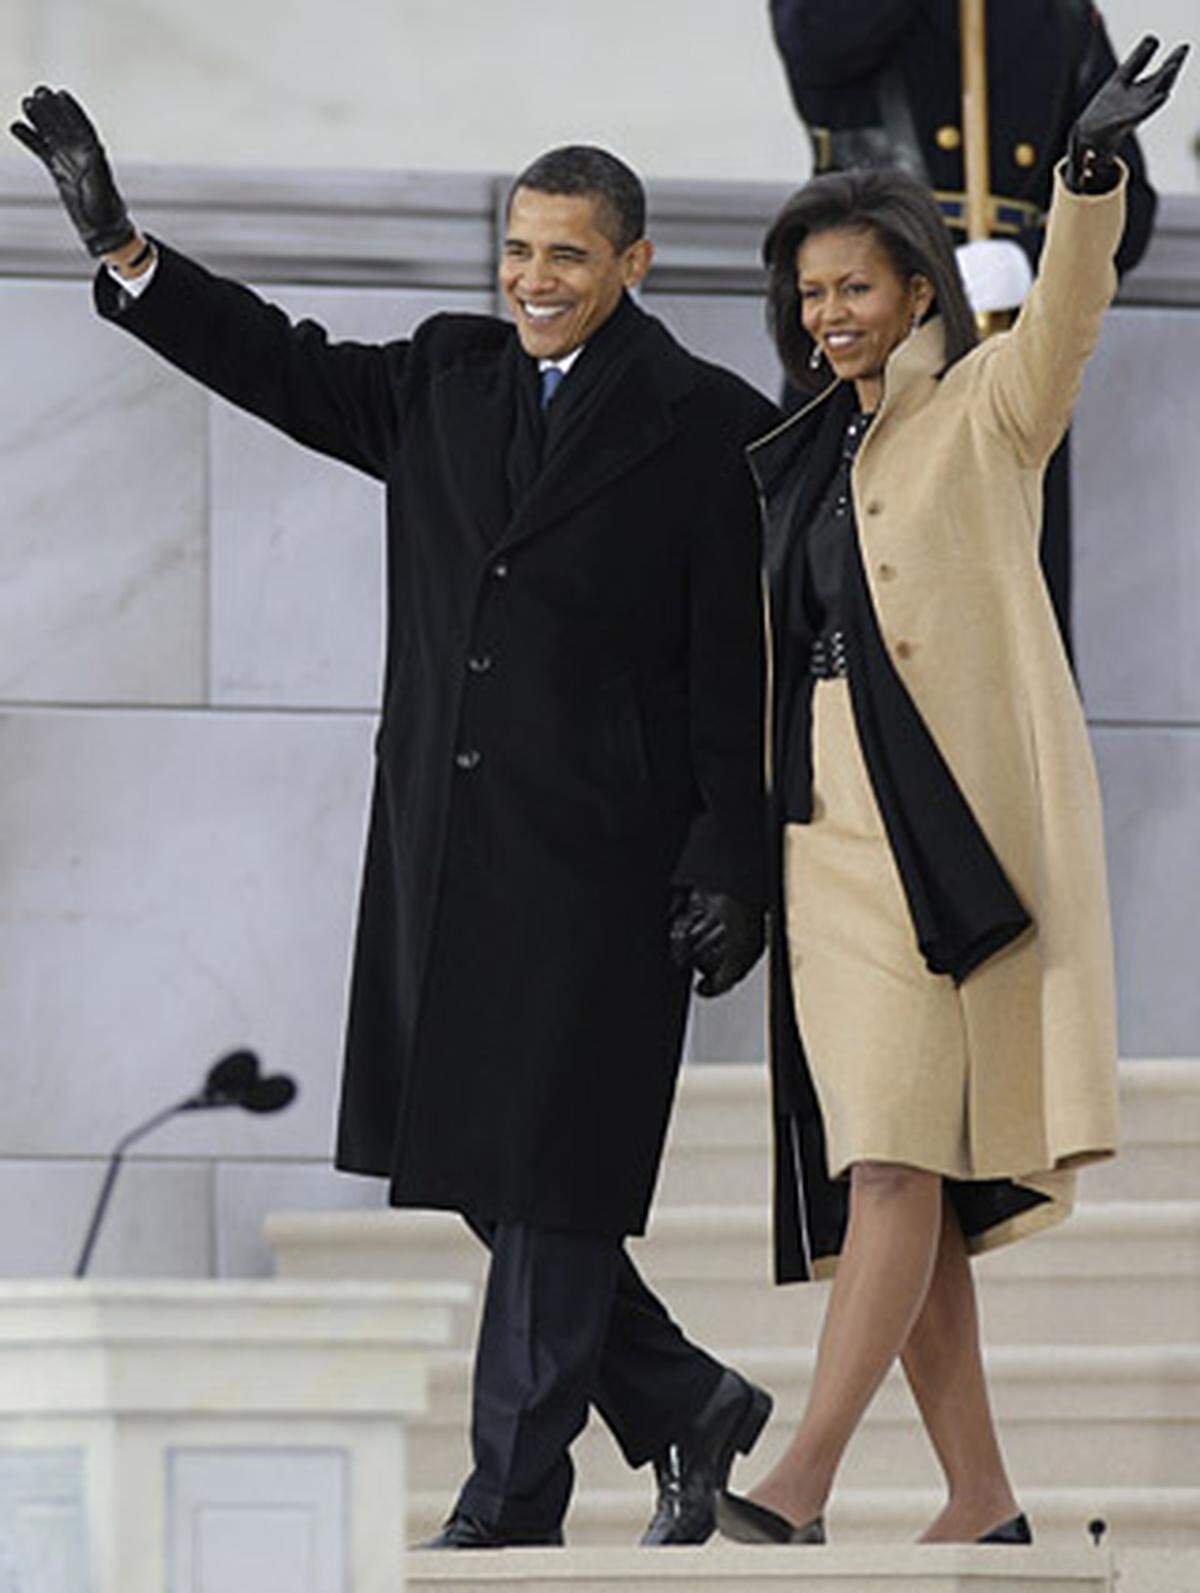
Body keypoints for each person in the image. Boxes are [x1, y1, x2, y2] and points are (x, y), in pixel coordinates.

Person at [10, 97, 781, 1548]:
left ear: (636, 263)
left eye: (566, 253)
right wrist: (124, 248)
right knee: (496, 1171)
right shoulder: (448, 377)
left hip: (608, 866)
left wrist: (730, 859)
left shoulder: (710, 430)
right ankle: (683, 1398)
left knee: (555, 1185)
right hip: (445, 851)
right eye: (517, 248)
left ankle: (512, 1498)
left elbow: (726, 674)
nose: (533, 277)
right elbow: (277, 367)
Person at [714, 34, 1187, 1547]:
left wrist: (1090, 176)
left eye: (854, 285)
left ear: (918, 289)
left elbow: (1071, 310)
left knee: (902, 1159)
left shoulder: (989, 411)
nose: (827, 312)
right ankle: (981, 1499)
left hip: (941, 846)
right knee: (890, 1170)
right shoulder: (790, 454)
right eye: (809, 293)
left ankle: (801, 1478)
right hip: (824, 849)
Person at [767, 0, 1160, 655]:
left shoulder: (1058, 14)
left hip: (999, 340)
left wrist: (1029, 259)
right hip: (867, 323)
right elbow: (818, 48)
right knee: (846, 597)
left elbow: (1132, 204)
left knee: (1002, 619)